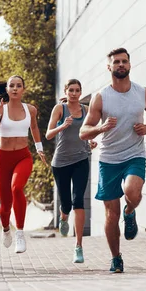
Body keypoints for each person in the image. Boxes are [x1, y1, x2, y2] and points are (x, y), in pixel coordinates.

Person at [80, 48, 146, 273]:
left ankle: (130, 211)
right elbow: (83, 131)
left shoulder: (143, 93)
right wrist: (101, 128)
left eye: (124, 61)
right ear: (109, 67)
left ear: (129, 65)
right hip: (108, 159)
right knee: (111, 214)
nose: (121, 65)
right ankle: (116, 257)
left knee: (132, 192)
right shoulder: (101, 96)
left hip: (134, 155)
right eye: (116, 62)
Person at [0, 76, 47, 253]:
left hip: (23, 156)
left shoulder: (31, 109)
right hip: (3, 159)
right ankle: (5, 229)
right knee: (4, 205)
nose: (15, 88)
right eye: (12, 86)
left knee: (17, 188)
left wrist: (39, 148)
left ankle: (20, 233)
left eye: (19, 86)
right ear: (7, 89)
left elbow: (34, 128)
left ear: (23, 89)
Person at [46, 79, 97, 263]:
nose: (74, 93)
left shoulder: (85, 109)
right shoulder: (60, 109)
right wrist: (63, 125)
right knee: (66, 203)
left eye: (77, 90)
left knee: (78, 201)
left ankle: (78, 246)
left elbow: (88, 131)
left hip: (81, 159)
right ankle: (63, 216)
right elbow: (48, 134)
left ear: (81, 92)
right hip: (60, 163)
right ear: (66, 92)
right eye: (71, 90)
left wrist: (90, 141)